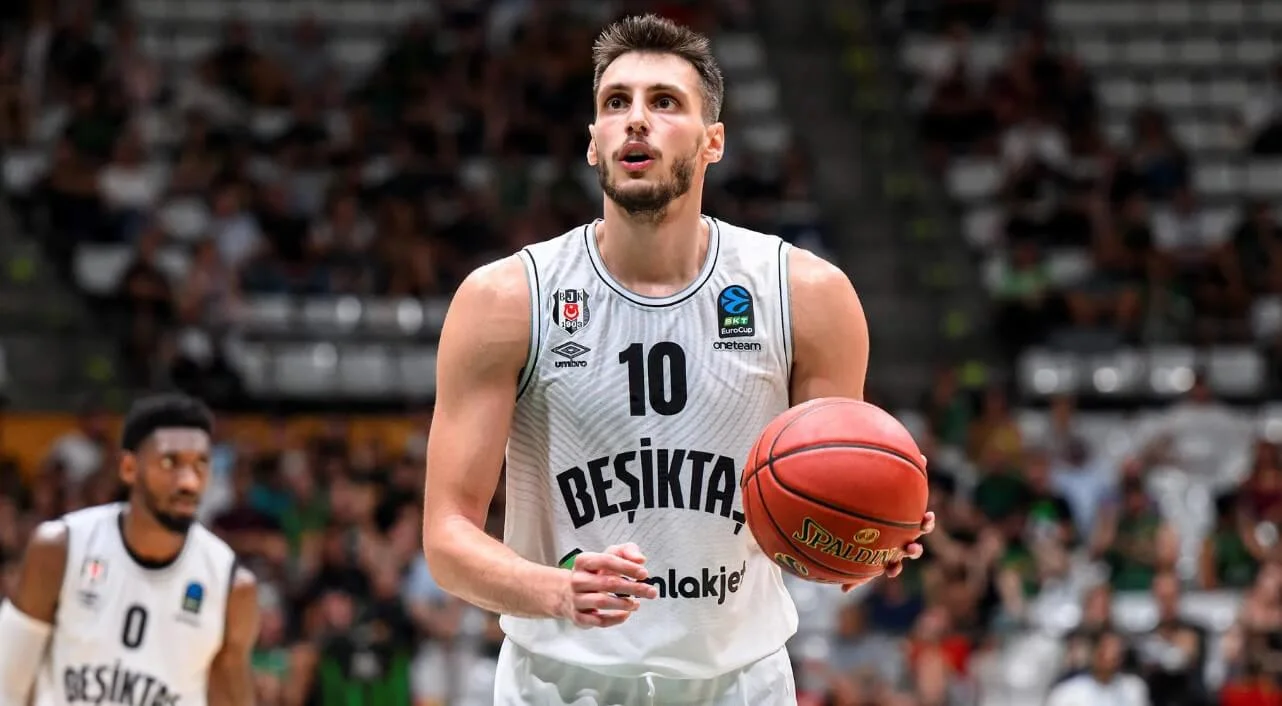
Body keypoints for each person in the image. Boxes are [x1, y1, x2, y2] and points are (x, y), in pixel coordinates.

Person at [421, 14, 935, 706]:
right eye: (616, 103)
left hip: (739, 683)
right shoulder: (507, 300)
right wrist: (556, 590)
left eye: (664, 102)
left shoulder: (805, 296)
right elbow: (447, 538)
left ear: (713, 140)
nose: (637, 120)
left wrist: (868, 535)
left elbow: (822, 517)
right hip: (561, 682)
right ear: (592, 142)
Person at [0, 393, 259, 705]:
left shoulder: (231, 585)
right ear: (128, 468)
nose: (188, 481)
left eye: (201, 464)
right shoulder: (60, 549)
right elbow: (7, 683)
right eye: (170, 462)